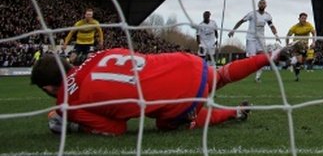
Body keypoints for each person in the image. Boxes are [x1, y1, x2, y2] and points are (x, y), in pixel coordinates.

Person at [30, 46, 289, 135]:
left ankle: (234, 113)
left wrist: (74, 125)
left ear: (49, 88)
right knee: (220, 75)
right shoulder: (99, 54)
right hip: (185, 63)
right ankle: (268, 57)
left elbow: (117, 130)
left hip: (180, 101)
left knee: (167, 126)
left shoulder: (68, 102)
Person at [228, 0, 279, 82]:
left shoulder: (267, 16)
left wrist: (276, 35)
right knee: (252, 58)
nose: (262, 5)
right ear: (258, 5)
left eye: (264, 3)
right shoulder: (252, 14)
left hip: (261, 39)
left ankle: (258, 77)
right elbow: (241, 21)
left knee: (263, 57)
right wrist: (233, 30)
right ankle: (242, 72)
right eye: (260, 3)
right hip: (251, 38)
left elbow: (272, 26)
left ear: (266, 5)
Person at [285, 12, 316, 82]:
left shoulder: (309, 25)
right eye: (302, 18)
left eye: (305, 18)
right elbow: (288, 36)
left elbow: (313, 33)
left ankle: (296, 75)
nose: (304, 20)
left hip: (305, 46)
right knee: (300, 43)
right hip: (296, 45)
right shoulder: (295, 27)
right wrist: (287, 45)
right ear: (299, 19)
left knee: (300, 61)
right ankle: (293, 62)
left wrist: (313, 42)